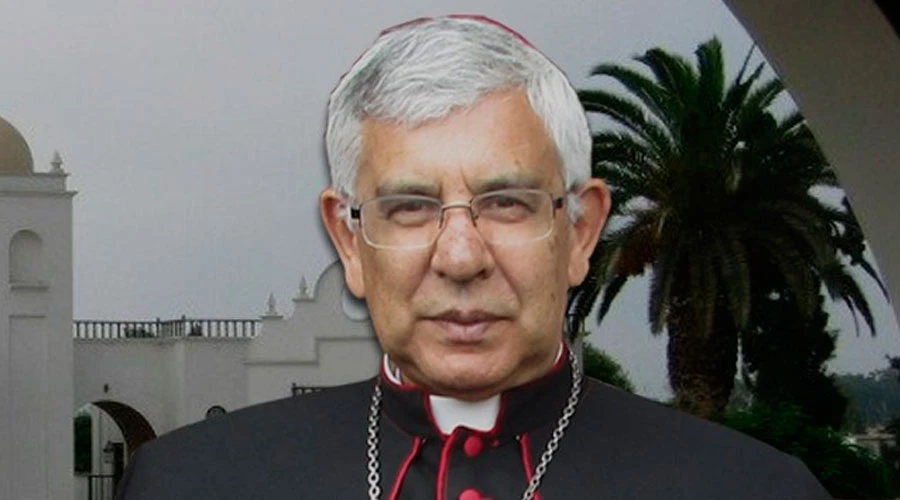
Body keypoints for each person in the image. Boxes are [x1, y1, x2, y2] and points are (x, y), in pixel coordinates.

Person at [116, 15, 831, 499]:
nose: (460, 258)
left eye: (508, 202)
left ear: (581, 232)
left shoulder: (755, 490)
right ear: (349, 242)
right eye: (409, 206)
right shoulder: (191, 484)